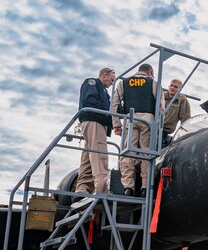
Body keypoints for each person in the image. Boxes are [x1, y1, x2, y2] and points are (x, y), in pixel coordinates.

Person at [112, 63, 159, 197]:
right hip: (148, 121)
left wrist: (116, 124)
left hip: (130, 120)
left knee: (127, 152)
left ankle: (128, 187)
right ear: (149, 72)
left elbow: (114, 105)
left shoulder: (124, 83)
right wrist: (157, 127)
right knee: (146, 153)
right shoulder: (153, 83)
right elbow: (161, 107)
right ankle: (145, 187)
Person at [75, 67, 115, 196]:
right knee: (99, 154)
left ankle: (82, 188)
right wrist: (110, 110)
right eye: (112, 79)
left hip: (94, 123)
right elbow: (89, 101)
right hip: (94, 121)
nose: (112, 83)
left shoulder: (104, 92)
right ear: (104, 75)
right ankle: (101, 189)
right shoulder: (92, 83)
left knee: (88, 158)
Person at [162, 78, 191, 144]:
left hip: (165, 132)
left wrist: (185, 133)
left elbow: (185, 118)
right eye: (171, 85)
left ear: (179, 89)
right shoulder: (161, 96)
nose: (172, 88)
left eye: (175, 87)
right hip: (152, 127)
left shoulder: (181, 99)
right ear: (168, 86)